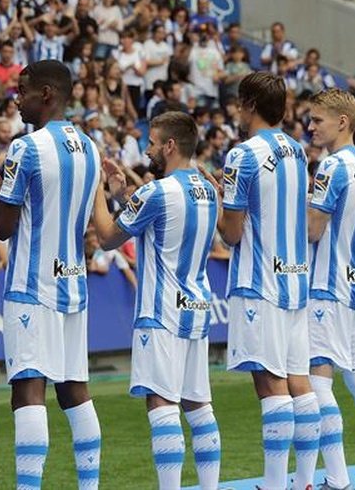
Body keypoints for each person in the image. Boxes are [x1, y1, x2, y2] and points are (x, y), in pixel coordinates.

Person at [0, 60, 103, 490]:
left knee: (28, 390)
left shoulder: (25, 148)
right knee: (75, 391)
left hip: (32, 289)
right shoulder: (90, 147)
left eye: (23, 91)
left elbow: (3, 227)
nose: (17, 99)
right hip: (74, 284)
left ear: (47, 94)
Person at [91, 111, 222, 490]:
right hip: (196, 307)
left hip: (161, 311)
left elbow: (107, 238)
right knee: (198, 404)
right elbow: (157, 221)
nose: (146, 150)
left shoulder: (156, 191)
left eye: (151, 142)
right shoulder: (205, 189)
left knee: (162, 403)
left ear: (170, 145)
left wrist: (98, 191)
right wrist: (122, 197)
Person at [218, 72, 317, 490]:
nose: (238, 111)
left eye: (240, 103)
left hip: (260, 281)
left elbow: (233, 233)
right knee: (300, 382)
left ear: (251, 105)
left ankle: (276, 484)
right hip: (295, 278)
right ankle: (307, 481)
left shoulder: (242, 156)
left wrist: (219, 206)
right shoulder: (296, 150)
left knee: (270, 382)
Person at [305, 88, 355, 490]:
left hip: (327, 286)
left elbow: (313, 230)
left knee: (319, 379)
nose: (310, 126)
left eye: (317, 119)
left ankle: (336, 479)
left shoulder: (331, 167)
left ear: (342, 122)